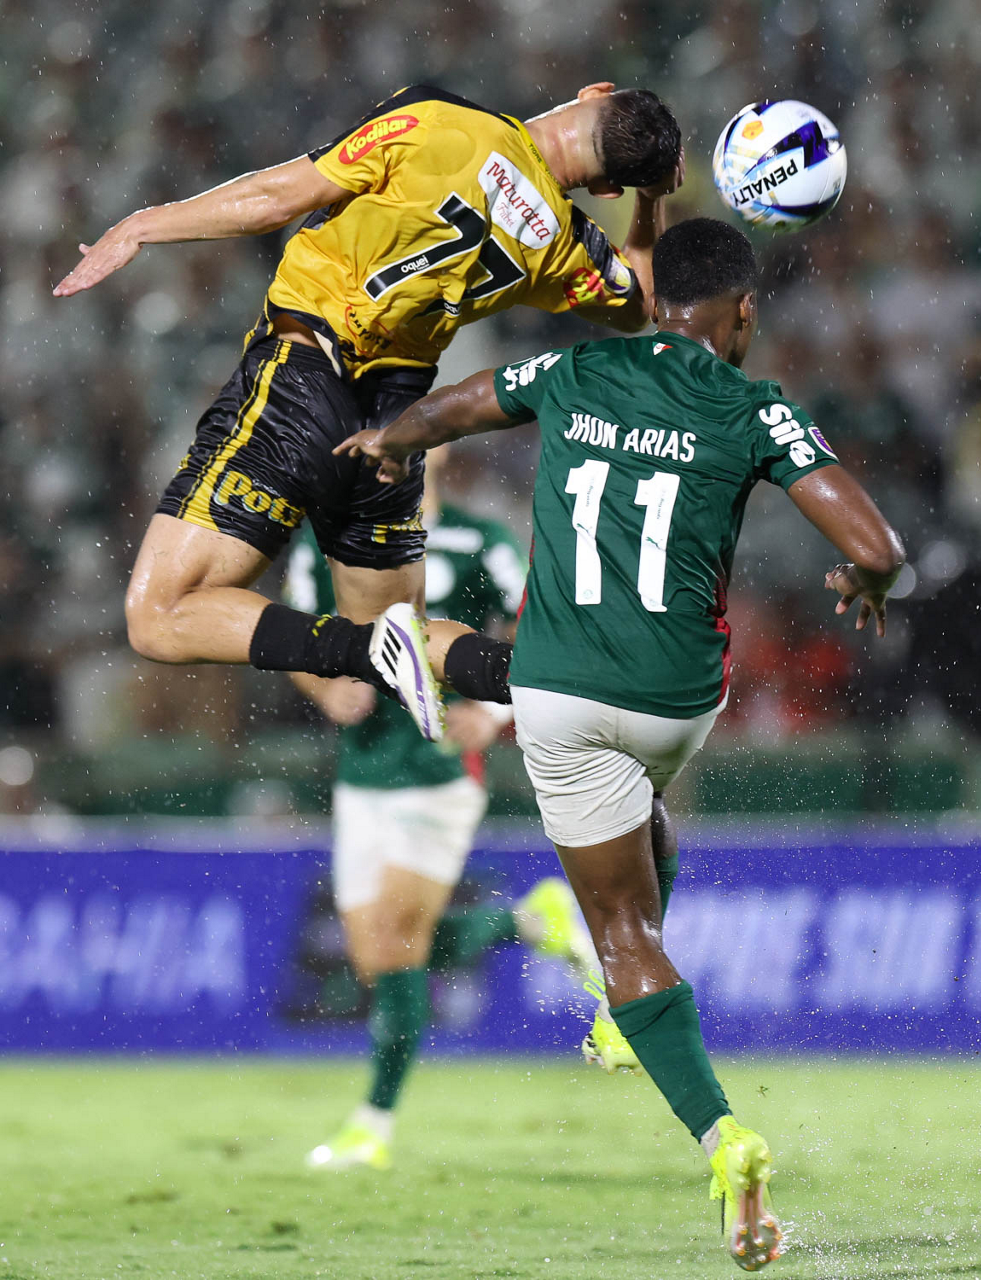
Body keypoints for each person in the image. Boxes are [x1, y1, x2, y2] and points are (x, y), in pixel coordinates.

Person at [339, 217, 906, 1269]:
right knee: (643, 815)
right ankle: (621, 1010)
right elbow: (878, 546)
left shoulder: (580, 368)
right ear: (742, 313)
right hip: (679, 703)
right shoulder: (756, 405)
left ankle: (721, 1135)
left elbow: (465, 402)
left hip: (558, 698)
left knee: (624, 937)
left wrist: (392, 440)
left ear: (654, 304)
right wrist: (863, 581)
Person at [53, 83, 683, 734]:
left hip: (304, 380)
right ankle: (580, 679)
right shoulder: (568, 245)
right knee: (404, 630)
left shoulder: (439, 118)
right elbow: (641, 304)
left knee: (159, 616)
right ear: (608, 189)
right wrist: (652, 200)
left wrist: (143, 224)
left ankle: (370, 651)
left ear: (593, 92)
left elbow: (278, 198)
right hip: (392, 432)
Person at [283, 450, 604, 1170]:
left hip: (441, 766)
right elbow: (291, 631)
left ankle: (373, 1123)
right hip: (361, 772)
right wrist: (324, 687)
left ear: (441, 448)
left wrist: (495, 714)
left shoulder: (478, 539)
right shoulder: (324, 542)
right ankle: (524, 921)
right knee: (378, 959)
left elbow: (545, 629)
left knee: (396, 939)